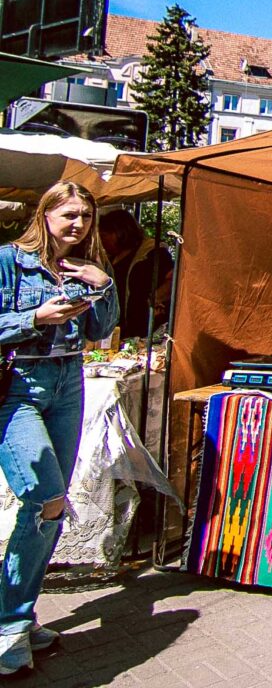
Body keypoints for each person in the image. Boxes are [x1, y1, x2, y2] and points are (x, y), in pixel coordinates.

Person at [0, 182, 119, 674]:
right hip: (17, 387)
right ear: (45, 214)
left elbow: (100, 331)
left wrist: (104, 285)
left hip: (70, 383)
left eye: (86, 216)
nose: (78, 224)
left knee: (53, 506)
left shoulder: (81, 268)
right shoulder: (9, 261)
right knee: (44, 498)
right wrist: (35, 316)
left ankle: (19, 615)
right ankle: (9, 624)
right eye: (69, 214)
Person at [96, 209, 174, 340]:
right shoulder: (110, 258)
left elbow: (172, 280)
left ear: (119, 232)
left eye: (104, 236)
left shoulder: (153, 253)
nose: (102, 241)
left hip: (146, 329)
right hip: (118, 329)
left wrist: (154, 299)